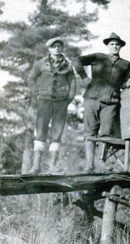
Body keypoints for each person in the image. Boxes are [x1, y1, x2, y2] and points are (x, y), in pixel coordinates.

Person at [73, 32, 130, 172]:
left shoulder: (125, 64)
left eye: (117, 44)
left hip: (111, 102)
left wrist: (129, 82)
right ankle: (89, 165)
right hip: (91, 99)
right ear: (108, 45)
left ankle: (100, 162)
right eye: (112, 44)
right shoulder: (98, 57)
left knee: (106, 133)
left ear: (120, 47)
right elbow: (76, 60)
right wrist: (83, 77)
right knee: (90, 132)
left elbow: (124, 84)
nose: (115, 46)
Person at [27, 37, 76, 174]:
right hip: (44, 102)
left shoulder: (68, 65)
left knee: (57, 133)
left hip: (61, 103)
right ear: (49, 49)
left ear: (62, 49)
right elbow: (30, 78)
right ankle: (36, 166)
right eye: (54, 46)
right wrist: (36, 91)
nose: (57, 48)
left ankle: (52, 166)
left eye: (59, 46)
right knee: (40, 131)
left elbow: (72, 82)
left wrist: (69, 98)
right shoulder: (40, 63)